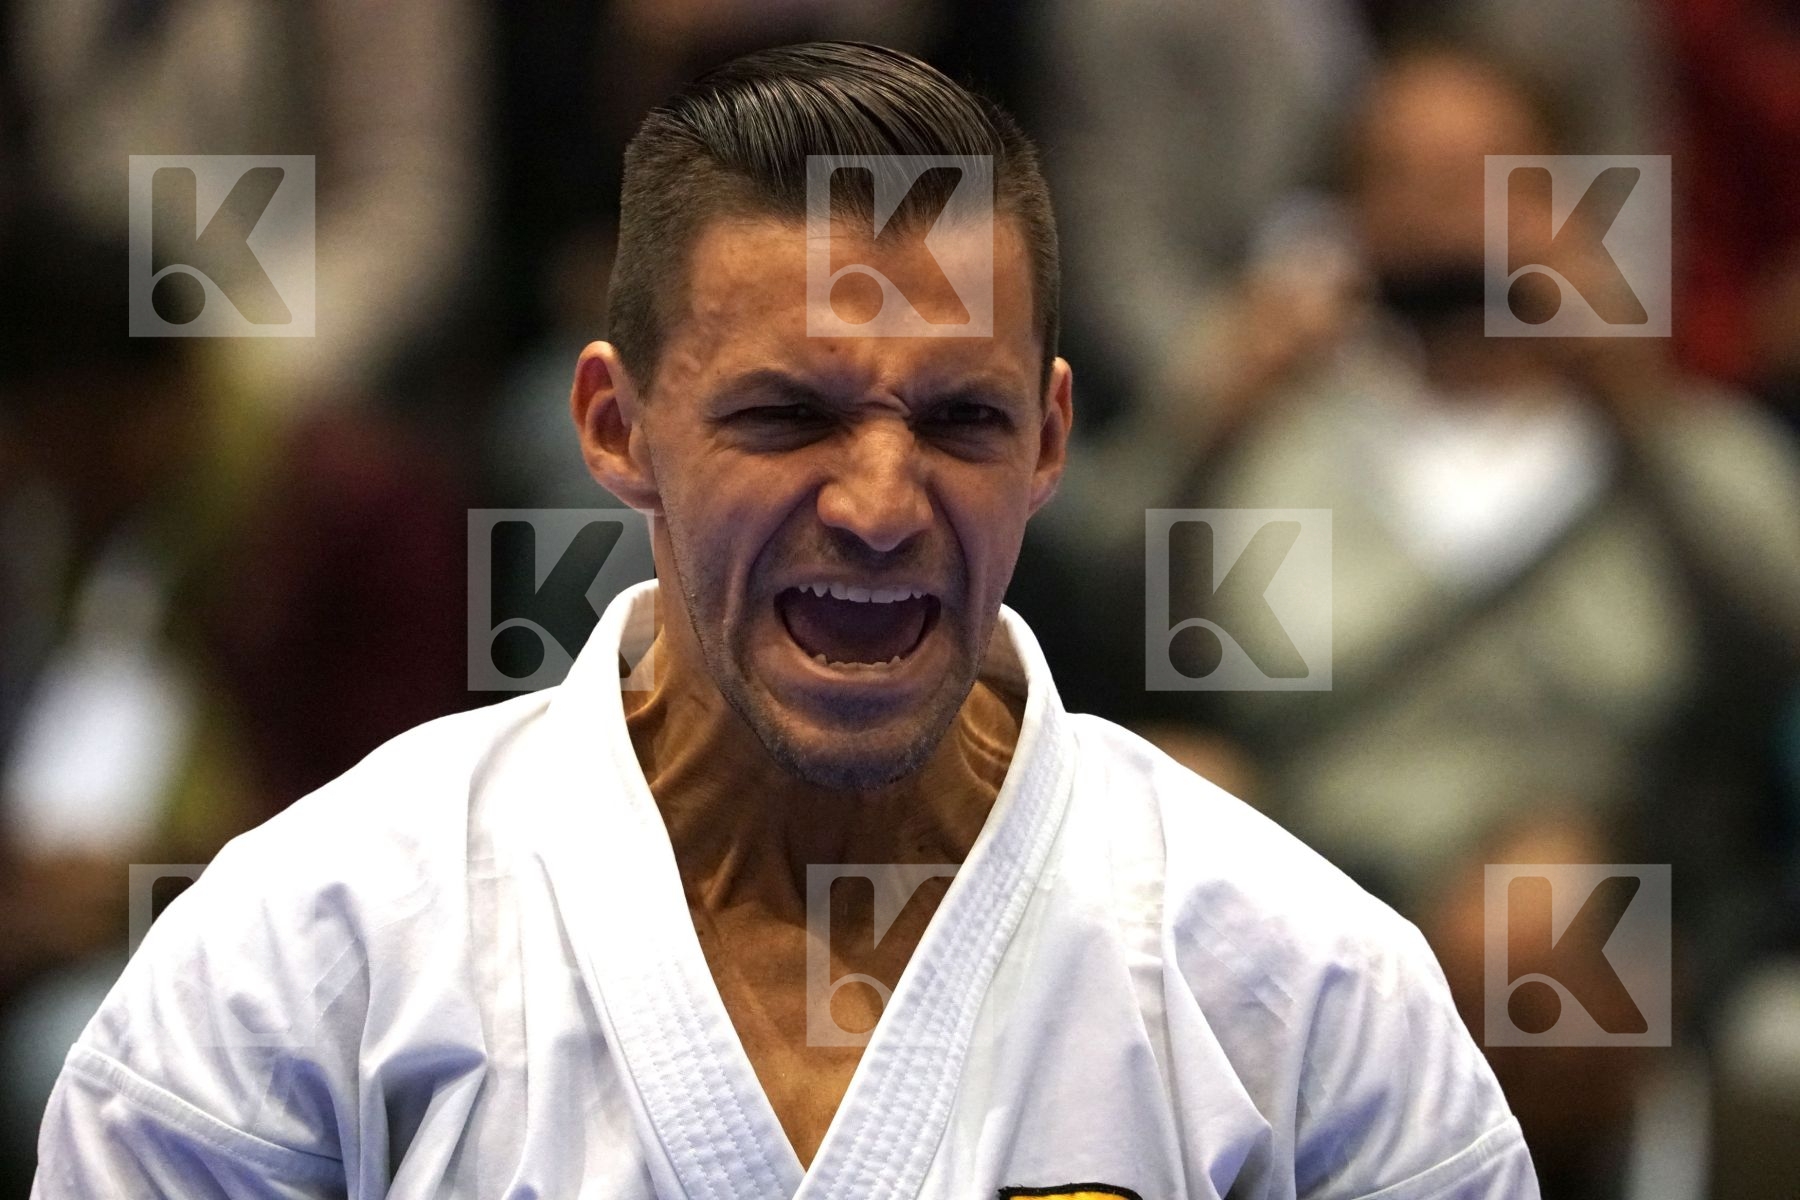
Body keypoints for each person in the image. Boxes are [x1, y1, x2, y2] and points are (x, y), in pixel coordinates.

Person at [31, 43, 1536, 1198]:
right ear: (615, 426)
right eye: (785, 415)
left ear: (1051, 442)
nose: (881, 504)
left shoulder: (1309, 989)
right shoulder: (307, 951)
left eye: (961, 419)